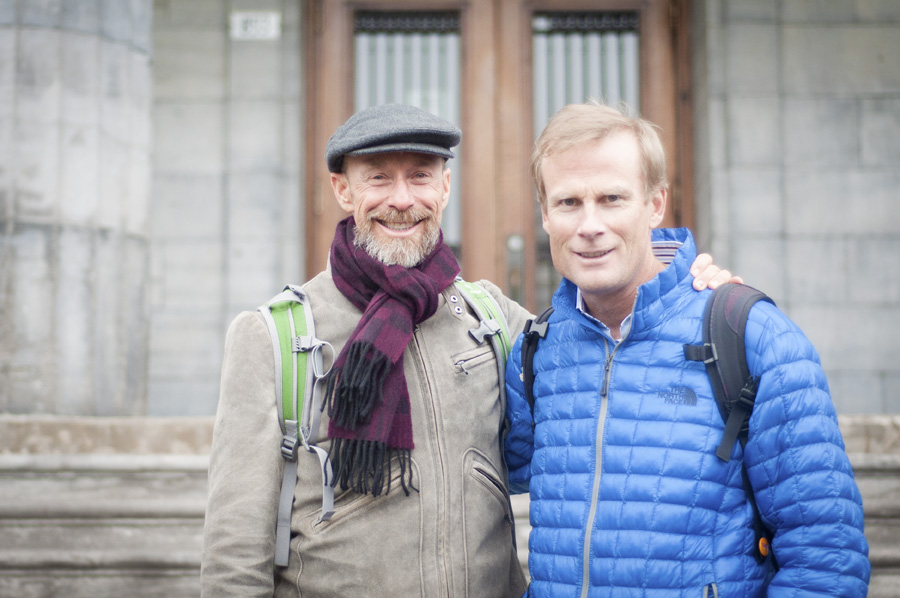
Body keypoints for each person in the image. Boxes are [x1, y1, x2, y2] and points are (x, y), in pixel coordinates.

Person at [200, 103, 735, 597]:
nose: (402, 199)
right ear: (343, 190)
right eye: (379, 178)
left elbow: (605, 352)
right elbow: (234, 556)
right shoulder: (273, 337)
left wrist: (680, 287)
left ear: (446, 186)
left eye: (420, 176)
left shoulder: (491, 317)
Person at [503, 101, 870, 597]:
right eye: (569, 203)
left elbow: (826, 559)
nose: (589, 225)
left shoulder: (751, 338)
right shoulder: (536, 353)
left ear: (655, 205)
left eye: (612, 198)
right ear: (545, 215)